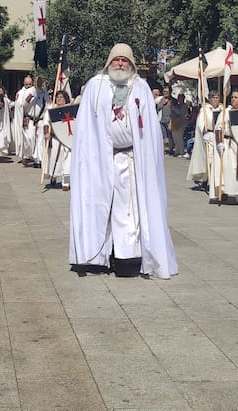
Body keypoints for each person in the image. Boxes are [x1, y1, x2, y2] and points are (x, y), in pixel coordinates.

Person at [69, 44, 177, 279]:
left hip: (131, 160)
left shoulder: (140, 88)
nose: (120, 64)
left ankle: (127, 257)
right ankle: (96, 256)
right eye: (116, 60)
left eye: (124, 60)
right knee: (100, 206)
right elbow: (86, 129)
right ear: (109, 62)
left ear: (131, 64)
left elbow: (149, 131)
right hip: (100, 159)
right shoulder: (95, 86)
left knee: (128, 210)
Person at [214, 89, 238, 206]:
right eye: (232, 97)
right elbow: (218, 128)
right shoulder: (225, 112)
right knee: (229, 169)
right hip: (228, 143)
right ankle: (225, 191)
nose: (233, 99)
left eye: (236, 97)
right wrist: (219, 142)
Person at [186, 91, 220, 187]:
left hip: (218, 135)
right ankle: (207, 180)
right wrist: (205, 133)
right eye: (214, 98)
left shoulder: (221, 108)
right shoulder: (205, 110)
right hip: (209, 135)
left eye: (217, 97)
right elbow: (201, 122)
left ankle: (213, 180)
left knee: (217, 159)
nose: (216, 100)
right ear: (210, 99)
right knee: (209, 158)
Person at [41, 89, 73, 190]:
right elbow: (46, 122)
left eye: (62, 98)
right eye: (58, 97)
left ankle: (66, 183)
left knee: (68, 161)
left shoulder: (69, 109)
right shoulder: (51, 109)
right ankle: (53, 176)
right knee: (55, 160)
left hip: (68, 140)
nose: (59, 99)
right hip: (55, 139)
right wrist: (46, 133)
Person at [14, 75, 47, 167]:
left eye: (40, 82)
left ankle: (38, 160)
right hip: (30, 118)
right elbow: (22, 105)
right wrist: (30, 97)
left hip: (41, 119)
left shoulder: (44, 92)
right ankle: (27, 155)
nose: (39, 83)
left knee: (40, 140)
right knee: (30, 138)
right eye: (26, 84)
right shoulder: (28, 92)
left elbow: (47, 103)